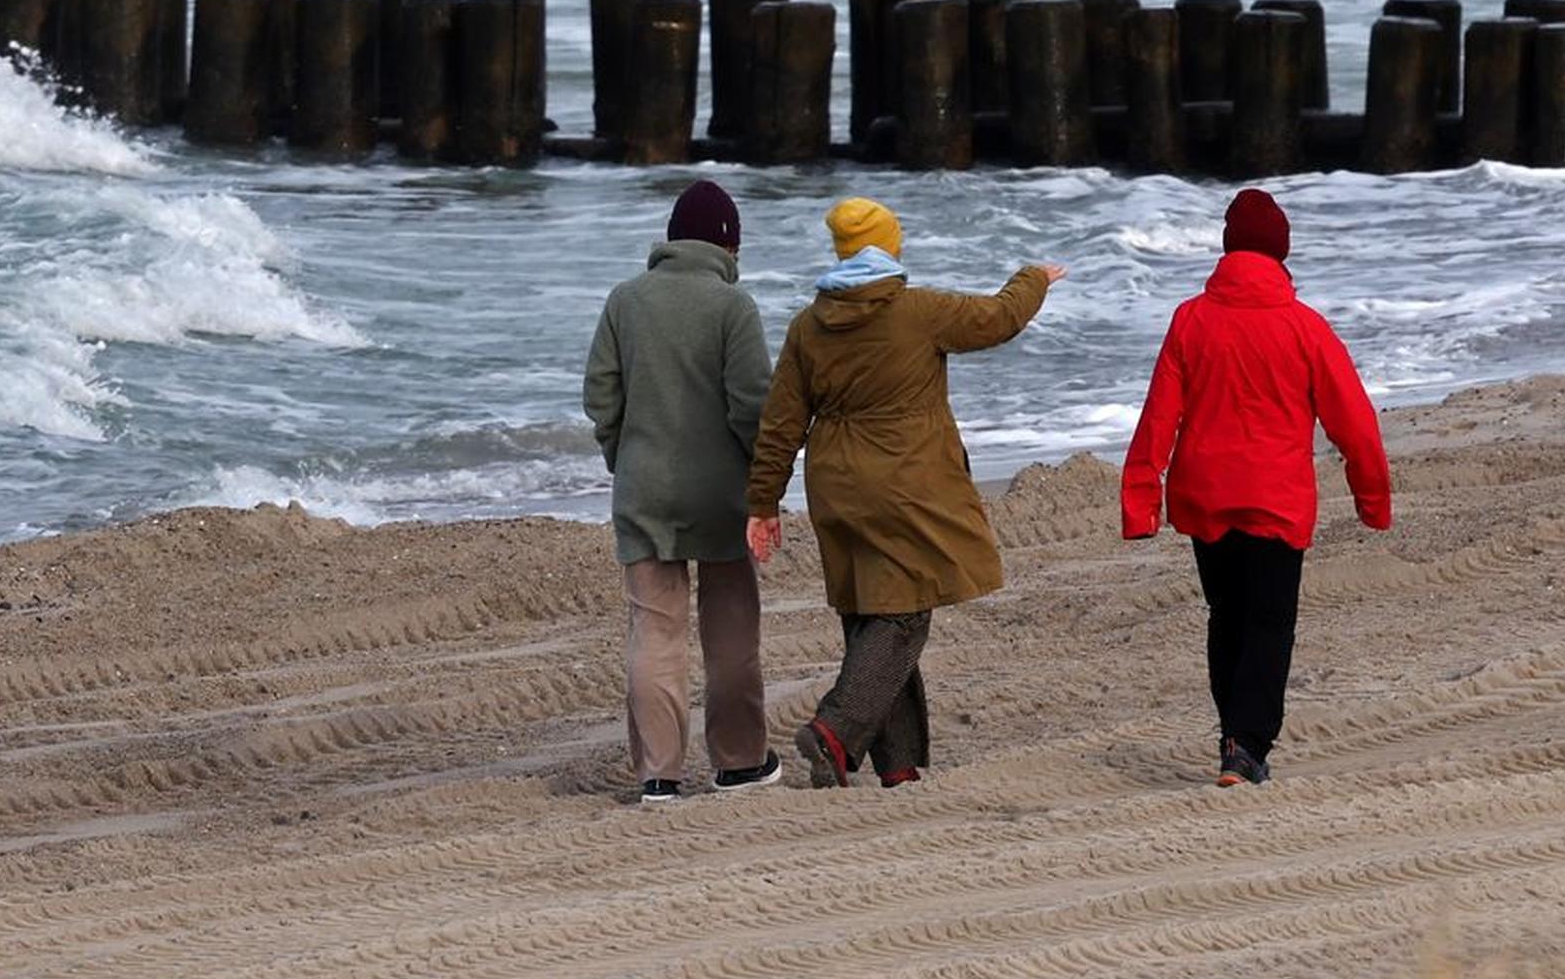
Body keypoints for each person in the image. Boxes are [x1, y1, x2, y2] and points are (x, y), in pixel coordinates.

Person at [745, 197, 1059, 788]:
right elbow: (997, 318)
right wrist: (1033, 279)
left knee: (871, 612)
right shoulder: (918, 311)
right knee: (905, 614)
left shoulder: (809, 326)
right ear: (889, 246)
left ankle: (898, 765)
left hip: (836, 487)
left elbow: (780, 423)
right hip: (905, 483)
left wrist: (763, 502)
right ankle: (835, 730)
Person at [1119, 187, 1389, 787]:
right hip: (1276, 500)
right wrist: (1372, 501)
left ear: (1228, 250)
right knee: (1268, 623)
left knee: (1228, 617)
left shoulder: (1192, 319)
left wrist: (1142, 503)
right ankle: (1246, 745)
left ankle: (1235, 738)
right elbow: (1355, 423)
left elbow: (1157, 416)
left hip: (1206, 496)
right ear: (1282, 254)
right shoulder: (1305, 327)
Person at [582, 179, 779, 805]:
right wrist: (764, 485)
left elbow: (601, 397)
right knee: (730, 634)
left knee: (655, 633)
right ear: (728, 244)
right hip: (721, 496)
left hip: (643, 491)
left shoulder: (625, 300)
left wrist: (624, 457)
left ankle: (659, 775)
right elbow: (754, 406)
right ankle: (740, 763)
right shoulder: (733, 307)